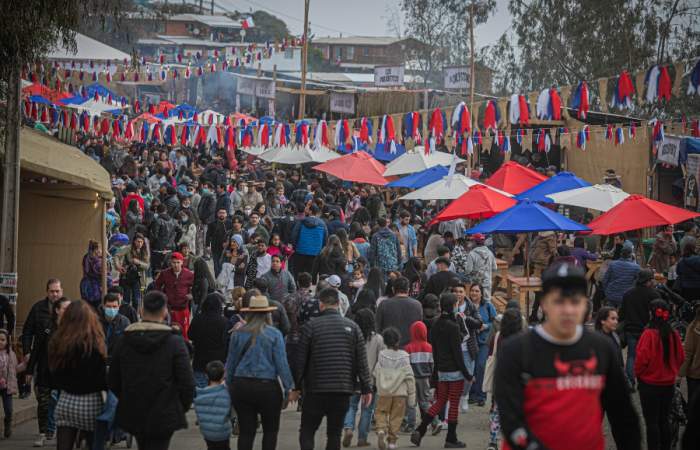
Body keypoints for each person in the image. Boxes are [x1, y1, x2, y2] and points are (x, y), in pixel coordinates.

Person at [494, 263, 641, 450]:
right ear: (544, 304)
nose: (568, 310)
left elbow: (623, 415)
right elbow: (510, 418)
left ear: (585, 305)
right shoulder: (515, 350)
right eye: (559, 301)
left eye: (575, 302)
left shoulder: (602, 348)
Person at [109, 290, 194, 450]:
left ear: (141, 311)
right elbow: (187, 383)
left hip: (134, 408)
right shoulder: (174, 343)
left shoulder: (125, 341)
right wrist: (179, 407)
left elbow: (113, 379)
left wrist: (127, 397)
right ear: (165, 312)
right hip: (164, 411)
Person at [294, 288, 372, 450]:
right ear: (338, 304)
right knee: (334, 434)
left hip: (315, 389)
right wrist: (366, 388)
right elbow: (361, 362)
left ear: (321, 305)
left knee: (307, 430)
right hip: (342, 389)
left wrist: (296, 386)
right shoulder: (353, 327)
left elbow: (300, 361)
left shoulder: (310, 326)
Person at [225, 295, 296, 450]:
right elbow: (282, 364)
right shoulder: (274, 334)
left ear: (249, 313)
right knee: (270, 431)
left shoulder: (237, 333)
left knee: (246, 432)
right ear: (267, 314)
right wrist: (289, 387)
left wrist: (228, 386)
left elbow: (230, 364)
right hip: (267, 387)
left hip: (241, 385)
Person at [410, 294, 473, 448]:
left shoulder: (436, 325)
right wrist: (467, 374)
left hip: (441, 371)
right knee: (454, 404)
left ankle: (421, 428)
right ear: (453, 306)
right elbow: (458, 354)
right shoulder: (454, 327)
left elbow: (435, 352)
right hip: (455, 372)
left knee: (440, 401)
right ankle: (451, 438)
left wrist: (435, 374)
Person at [48, 301, 108, 450]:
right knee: (93, 444)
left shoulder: (59, 342)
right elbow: (101, 378)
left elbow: (54, 374)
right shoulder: (95, 343)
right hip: (91, 403)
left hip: (66, 401)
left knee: (63, 445)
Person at [635, 299, 685, 450]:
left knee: (652, 422)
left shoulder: (648, 334)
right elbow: (681, 357)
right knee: (664, 419)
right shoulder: (673, 334)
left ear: (651, 313)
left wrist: (640, 374)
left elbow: (641, 360)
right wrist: (672, 370)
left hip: (649, 384)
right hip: (668, 383)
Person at [21, 278, 64, 447]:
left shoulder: (66, 309)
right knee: (44, 400)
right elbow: (27, 332)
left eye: (57, 291)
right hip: (42, 362)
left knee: (60, 400)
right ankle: (43, 431)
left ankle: (56, 430)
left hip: (62, 365)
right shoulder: (38, 308)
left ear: (62, 291)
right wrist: (27, 352)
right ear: (47, 291)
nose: (55, 294)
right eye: (52, 291)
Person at [342, 309, 385, 448]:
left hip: (353, 379)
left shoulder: (351, 336)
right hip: (370, 381)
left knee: (351, 406)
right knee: (367, 409)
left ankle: (348, 428)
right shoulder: (378, 339)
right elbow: (381, 360)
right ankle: (362, 438)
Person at [484, 308, 523, 450]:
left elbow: (490, 354)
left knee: (496, 412)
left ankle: (493, 441)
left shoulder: (498, 336)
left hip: (500, 378)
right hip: (518, 382)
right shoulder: (523, 338)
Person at [373, 328, 415, 450]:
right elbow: (410, 377)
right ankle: (392, 442)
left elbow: (376, 372)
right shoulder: (404, 356)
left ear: (385, 341)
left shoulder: (382, 354)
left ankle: (381, 429)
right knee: (397, 417)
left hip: (384, 392)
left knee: (380, 412)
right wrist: (412, 397)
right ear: (398, 340)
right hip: (400, 393)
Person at [619, 269, 660, 390]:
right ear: (648, 281)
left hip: (632, 329)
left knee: (632, 356)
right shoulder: (654, 294)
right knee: (649, 357)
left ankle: (630, 382)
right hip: (648, 331)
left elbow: (622, 314)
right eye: (652, 279)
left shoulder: (628, 293)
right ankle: (645, 382)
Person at [189, 293, 230, 388]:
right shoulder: (224, 321)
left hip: (200, 361)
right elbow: (225, 341)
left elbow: (190, 335)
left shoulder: (198, 318)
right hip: (218, 363)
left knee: (200, 391)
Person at [468, 283, 497, 407]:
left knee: (481, 366)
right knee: (471, 368)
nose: (474, 293)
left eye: (476, 291)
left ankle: (481, 395)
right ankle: (472, 394)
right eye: (472, 291)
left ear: (481, 293)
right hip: (470, 341)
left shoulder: (488, 306)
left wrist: (485, 326)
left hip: (484, 341)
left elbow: (495, 323)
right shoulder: (467, 306)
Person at [154, 251, 194, 340]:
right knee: (169, 331)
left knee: (184, 332)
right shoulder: (165, 273)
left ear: (182, 262)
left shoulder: (189, 274)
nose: (176, 265)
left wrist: (192, 294)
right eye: (173, 263)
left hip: (183, 308)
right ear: (170, 263)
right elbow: (157, 285)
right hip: (169, 308)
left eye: (178, 262)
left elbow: (195, 287)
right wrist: (162, 297)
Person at [403, 321, 433, 433]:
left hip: (411, 379)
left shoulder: (408, 348)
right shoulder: (429, 347)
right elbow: (432, 365)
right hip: (425, 379)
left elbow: (405, 366)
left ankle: (411, 425)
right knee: (425, 402)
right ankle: (435, 421)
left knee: (411, 403)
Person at [375, 277, 423, 347]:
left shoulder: (383, 304)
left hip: (388, 349)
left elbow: (377, 328)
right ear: (408, 290)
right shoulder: (417, 305)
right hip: (410, 350)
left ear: (393, 289)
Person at [194, 360, 232, 450]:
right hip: (223, 433)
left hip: (207, 433)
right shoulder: (226, 392)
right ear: (223, 375)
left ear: (206, 376)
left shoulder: (199, 394)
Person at [291, 204, 328, 278]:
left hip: (300, 251)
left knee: (298, 273)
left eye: (307, 209)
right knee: (310, 274)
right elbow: (325, 238)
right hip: (315, 253)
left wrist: (295, 247)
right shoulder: (322, 224)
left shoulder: (301, 222)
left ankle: (299, 287)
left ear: (310, 211)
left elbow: (294, 235)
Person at [463, 234, 498, 301]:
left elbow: (468, 270)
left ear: (475, 242)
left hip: (476, 283)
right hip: (487, 282)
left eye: (472, 241)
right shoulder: (490, 253)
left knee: (475, 301)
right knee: (487, 301)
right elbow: (495, 268)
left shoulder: (472, 254)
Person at [119, 232, 150, 310]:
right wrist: (119, 266)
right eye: (138, 241)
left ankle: (135, 316)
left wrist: (138, 262)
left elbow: (147, 266)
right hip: (127, 277)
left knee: (136, 300)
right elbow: (117, 256)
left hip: (139, 279)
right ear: (134, 241)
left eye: (141, 242)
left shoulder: (144, 251)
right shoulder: (128, 248)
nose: (139, 243)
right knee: (126, 299)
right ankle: (126, 316)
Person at [99, 293, 131, 360]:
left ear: (119, 307)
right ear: (103, 306)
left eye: (114, 306)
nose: (112, 309)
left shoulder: (124, 322)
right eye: (108, 306)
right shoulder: (96, 322)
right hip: (99, 359)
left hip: (117, 359)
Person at [0, 328, 20, 438]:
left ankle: (7, 424)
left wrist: (26, 365)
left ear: (7, 341)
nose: (0, 342)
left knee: (8, 409)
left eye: (3, 339)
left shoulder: (11, 354)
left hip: (7, 387)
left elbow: (15, 369)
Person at [594, 306, 624, 372]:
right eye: (613, 319)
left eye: (617, 319)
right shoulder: (596, 339)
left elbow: (620, 360)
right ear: (602, 320)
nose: (616, 322)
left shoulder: (615, 336)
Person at [681, 302, 700, 404]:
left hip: (695, 373)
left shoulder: (693, 327)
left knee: (693, 402)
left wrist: (680, 374)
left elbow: (688, 352)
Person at [206, 208, 232, 277]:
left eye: (223, 213)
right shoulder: (212, 224)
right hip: (215, 248)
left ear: (226, 214)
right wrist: (208, 246)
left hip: (226, 249)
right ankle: (217, 281)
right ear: (217, 214)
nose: (222, 214)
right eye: (220, 213)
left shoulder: (230, 223)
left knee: (224, 265)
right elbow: (208, 235)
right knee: (216, 266)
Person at [80, 239, 103, 307]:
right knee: (95, 309)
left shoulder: (86, 257)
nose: (101, 251)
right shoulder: (97, 261)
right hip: (95, 288)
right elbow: (104, 274)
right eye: (100, 248)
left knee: (87, 308)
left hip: (85, 285)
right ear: (96, 250)